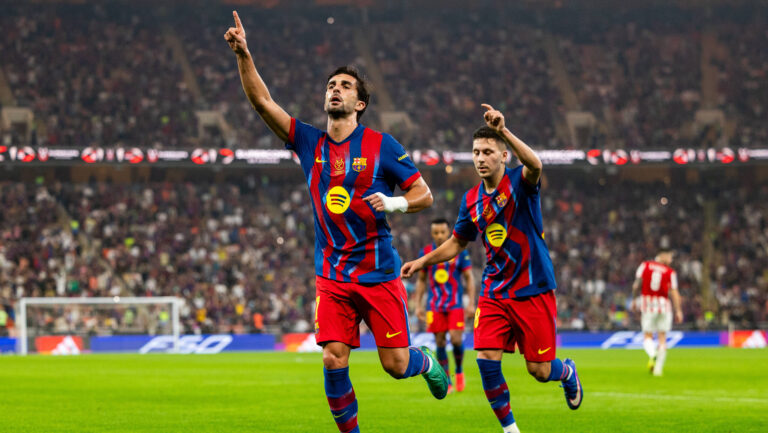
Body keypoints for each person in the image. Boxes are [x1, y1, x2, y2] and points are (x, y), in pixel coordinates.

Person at [225, 11, 449, 433]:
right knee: (332, 357)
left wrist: (396, 204)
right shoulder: (309, 142)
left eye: (345, 86)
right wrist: (244, 55)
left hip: (379, 272)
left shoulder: (383, 146)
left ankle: (425, 361)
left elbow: (425, 196)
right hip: (332, 273)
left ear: (359, 104)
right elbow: (262, 102)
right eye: (331, 85)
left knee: (396, 365)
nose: (335, 89)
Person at [401, 105, 583, 433]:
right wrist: (422, 261)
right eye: (476, 152)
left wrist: (504, 132)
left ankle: (567, 373)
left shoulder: (520, 183)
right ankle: (510, 430)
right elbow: (457, 242)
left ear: (503, 156)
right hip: (495, 291)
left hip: (533, 287)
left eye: (488, 152)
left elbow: (536, 164)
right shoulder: (471, 199)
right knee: (485, 358)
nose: (481, 158)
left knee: (539, 370)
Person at [413, 218, 476, 393]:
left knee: (456, 340)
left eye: (442, 232)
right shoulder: (425, 252)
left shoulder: (459, 251)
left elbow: (469, 278)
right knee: (440, 342)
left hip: (455, 304)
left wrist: (471, 303)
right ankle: (447, 379)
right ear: (432, 233)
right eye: (436, 233)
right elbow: (421, 280)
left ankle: (459, 370)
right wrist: (418, 305)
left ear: (448, 232)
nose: (439, 236)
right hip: (434, 305)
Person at [631, 249, 683, 376]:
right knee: (662, 338)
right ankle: (658, 370)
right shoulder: (670, 272)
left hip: (647, 304)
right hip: (664, 306)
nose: (671, 260)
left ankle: (652, 354)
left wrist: (633, 300)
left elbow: (635, 286)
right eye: (670, 257)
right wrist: (678, 310)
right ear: (663, 256)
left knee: (647, 336)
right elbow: (674, 293)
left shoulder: (645, 265)